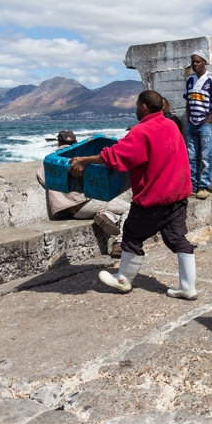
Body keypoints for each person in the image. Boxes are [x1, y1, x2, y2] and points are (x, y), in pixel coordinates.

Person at [69, 90, 198, 300]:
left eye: (137, 106)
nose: (136, 109)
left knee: (131, 236)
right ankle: (188, 287)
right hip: (177, 195)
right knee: (178, 240)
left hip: (154, 198)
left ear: (144, 107)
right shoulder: (170, 125)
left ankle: (123, 279)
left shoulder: (142, 131)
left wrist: (84, 160)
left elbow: (116, 156)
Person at [36, 129, 129, 258]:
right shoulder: (81, 158)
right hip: (85, 203)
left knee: (110, 210)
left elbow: (43, 179)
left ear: (58, 143)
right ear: (76, 142)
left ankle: (107, 216)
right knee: (129, 209)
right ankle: (119, 243)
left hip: (66, 210)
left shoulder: (50, 161)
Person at [184, 51, 212, 200]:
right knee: (191, 156)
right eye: (193, 61)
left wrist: (209, 120)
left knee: (207, 157)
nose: (195, 64)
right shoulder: (189, 80)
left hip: (206, 124)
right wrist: (189, 118)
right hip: (192, 124)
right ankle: (192, 187)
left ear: (204, 62)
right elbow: (188, 101)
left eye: (198, 61)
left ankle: (204, 187)